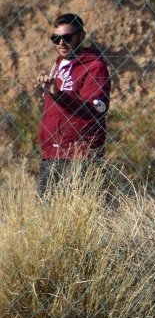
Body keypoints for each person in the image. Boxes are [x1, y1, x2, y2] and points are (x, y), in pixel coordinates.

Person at [35, 13, 111, 196]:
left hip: (80, 156)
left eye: (67, 37)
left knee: (82, 216)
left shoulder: (95, 67)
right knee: (47, 217)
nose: (61, 43)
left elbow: (95, 109)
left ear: (81, 36)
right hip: (52, 154)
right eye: (56, 38)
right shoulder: (59, 64)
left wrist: (58, 95)